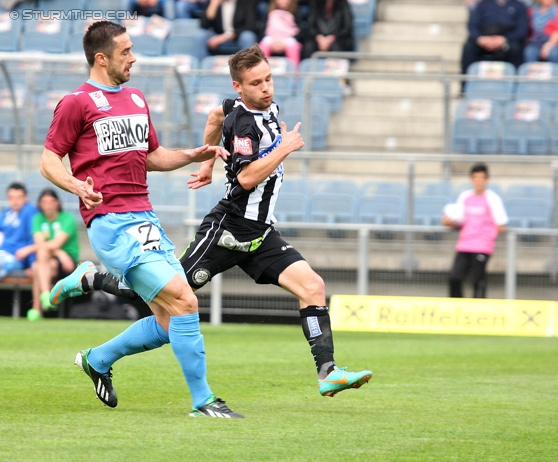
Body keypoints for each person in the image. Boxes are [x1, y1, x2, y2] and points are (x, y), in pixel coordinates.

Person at [52, 44, 373, 399]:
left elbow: (213, 115)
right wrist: (284, 147)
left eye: (268, 79)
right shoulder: (244, 123)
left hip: (260, 233)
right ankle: (90, 277)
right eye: (256, 83)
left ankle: (327, 372)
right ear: (239, 86)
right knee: (168, 300)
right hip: (228, 230)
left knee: (312, 286)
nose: (266, 88)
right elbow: (247, 179)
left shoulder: (240, 106)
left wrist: (206, 161)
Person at [39, 21, 241, 419]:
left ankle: (97, 359)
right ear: (102, 58)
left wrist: (193, 154)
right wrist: (78, 186)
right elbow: (48, 161)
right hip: (110, 222)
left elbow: (151, 157)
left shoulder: (134, 97)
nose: (133, 58)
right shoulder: (76, 102)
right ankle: (203, 402)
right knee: (185, 301)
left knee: (168, 321)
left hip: (144, 217)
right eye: (126, 51)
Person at [442, 163, 508, 299]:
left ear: (486, 180)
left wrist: (486, 232)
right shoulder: (464, 197)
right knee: (455, 278)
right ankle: (457, 308)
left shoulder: (493, 199)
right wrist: (450, 222)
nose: (478, 181)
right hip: (465, 245)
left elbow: (501, 225)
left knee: (478, 280)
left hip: (482, 246)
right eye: (475, 178)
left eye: (481, 178)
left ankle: (479, 312)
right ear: (471, 179)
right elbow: (459, 220)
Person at [27, 188, 80, 320]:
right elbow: (40, 244)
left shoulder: (67, 219)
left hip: (68, 262)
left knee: (37, 266)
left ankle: (37, 308)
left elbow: (56, 243)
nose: (48, 206)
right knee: (38, 265)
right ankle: (47, 297)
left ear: (58, 203)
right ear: (40, 205)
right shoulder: (38, 219)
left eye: (51, 202)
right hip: (50, 261)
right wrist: (59, 252)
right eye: (45, 202)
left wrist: (28, 249)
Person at [460, 0, 529, 78]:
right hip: (484, 37)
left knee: (515, 48)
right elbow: (472, 26)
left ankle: (515, 82)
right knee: (468, 48)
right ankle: (465, 82)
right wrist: (480, 38)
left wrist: (504, 39)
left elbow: (522, 30)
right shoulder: (483, 4)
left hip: (507, 39)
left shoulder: (519, 6)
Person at [0, 182, 38, 280]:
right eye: (11, 197)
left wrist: (30, 264)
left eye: (19, 197)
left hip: (16, 257)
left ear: (26, 198)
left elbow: (33, 239)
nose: (14, 201)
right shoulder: (6, 213)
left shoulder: (29, 211)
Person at [259, 0, 303, 69]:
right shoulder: (269, 12)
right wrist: (274, 42)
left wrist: (283, 43)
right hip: (271, 37)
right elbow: (263, 29)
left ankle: (295, 73)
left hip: (288, 38)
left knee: (293, 47)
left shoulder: (296, 13)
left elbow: (299, 30)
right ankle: (261, 71)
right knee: (263, 46)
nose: (283, 1)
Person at [523, 0, 558, 65]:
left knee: (554, 53)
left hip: (554, 42)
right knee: (529, 52)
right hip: (535, 42)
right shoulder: (532, 10)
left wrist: (548, 46)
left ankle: (555, 74)